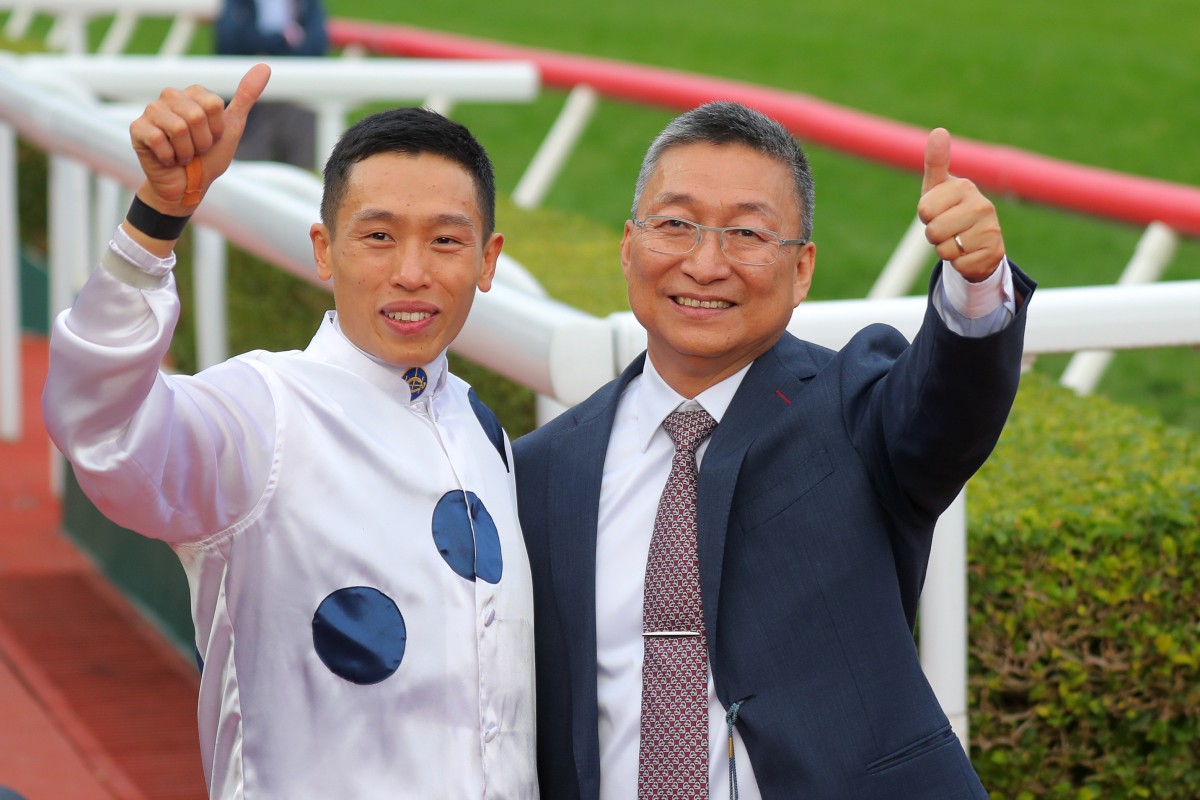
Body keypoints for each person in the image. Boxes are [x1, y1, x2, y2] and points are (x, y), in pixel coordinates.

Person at [513, 101, 1034, 799]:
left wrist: (975, 284)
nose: (705, 263)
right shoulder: (543, 469)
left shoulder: (856, 408)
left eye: (748, 233)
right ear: (629, 246)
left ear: (803, 269)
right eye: (675, 225)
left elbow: (945, 409)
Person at [42, 64, 537, 798]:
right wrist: (154, 221)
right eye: (377, 236)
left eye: (445, 241)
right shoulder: (260, 409)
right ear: (324, 249)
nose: (411, 272)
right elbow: (102, 430)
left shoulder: (481, 429)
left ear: (487, 261)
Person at [214, 0, 328, 169]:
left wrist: (265, 44)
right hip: (252, 102)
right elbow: (229, 42)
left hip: (294, 95)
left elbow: (317, 45)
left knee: (305, 171)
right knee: (244, 173)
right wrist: (282, 40)